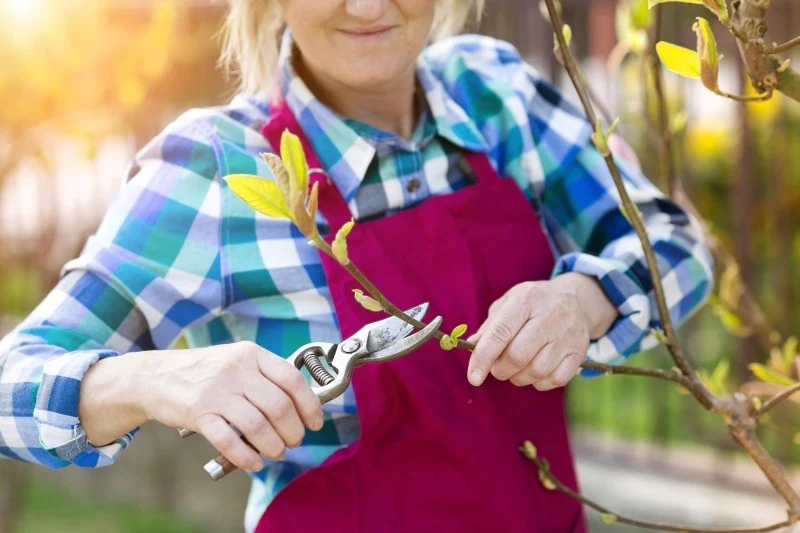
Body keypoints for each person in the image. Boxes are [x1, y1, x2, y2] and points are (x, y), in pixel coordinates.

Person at [0, 1, 713, 531]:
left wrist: (583, 299)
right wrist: (156, 377)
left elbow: (676, 243)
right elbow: (13, 384)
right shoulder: (215, 169)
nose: (367, 6)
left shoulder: (495, 94)